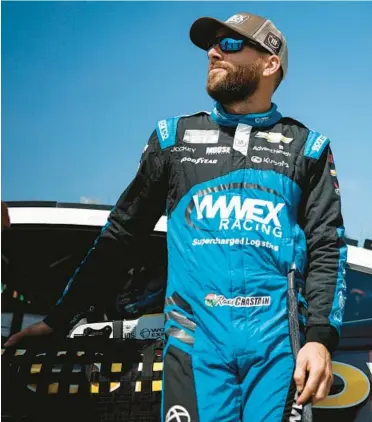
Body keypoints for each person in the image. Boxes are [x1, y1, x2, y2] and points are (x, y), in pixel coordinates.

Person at [5, 11, 347, 422]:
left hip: (277, 351)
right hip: (196, 345)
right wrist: (61, 320)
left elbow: (327, 247)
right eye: (210, 45)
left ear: (270, 63)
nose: (214, 52)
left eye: (231, 44)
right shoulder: (173, 140)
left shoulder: (307, 148)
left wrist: (320, 339)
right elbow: (120, 238)